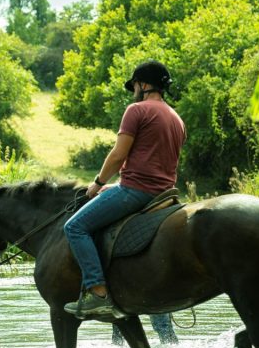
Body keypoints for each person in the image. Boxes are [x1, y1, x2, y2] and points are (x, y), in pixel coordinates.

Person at [62, 60, 186, 320]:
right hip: (165, 193)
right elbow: (155, 161)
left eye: (135, 86)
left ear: (143, 84)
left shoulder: (136, 110)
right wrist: (113, 186)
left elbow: (119, 155)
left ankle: (98, 293)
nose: (133, 92)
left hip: (136, 191)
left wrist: (97, 183)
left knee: (75, 227)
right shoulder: (176, 118)